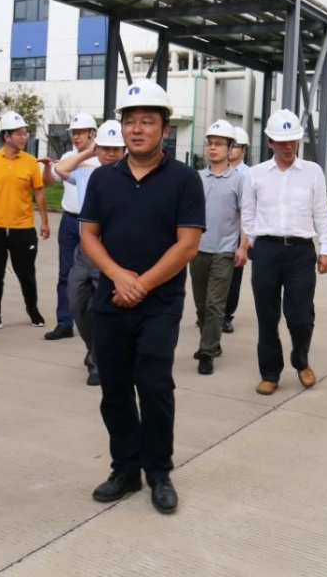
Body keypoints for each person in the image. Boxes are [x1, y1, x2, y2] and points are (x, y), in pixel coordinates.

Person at [78, 82, 205, 515]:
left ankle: (159, 472)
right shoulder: (102, 178)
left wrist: (142, 285)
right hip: (110, 300)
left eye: (147, 122)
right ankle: (125, 470)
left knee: (154, 387)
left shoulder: (184, 180)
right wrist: (118, 276)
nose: (136, 130)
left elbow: (187, 245)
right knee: (114, 389)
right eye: (130, 121)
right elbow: (89, 235)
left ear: (165, 130)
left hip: (159, 304)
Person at [240, 109, 327, 396]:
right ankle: (270, 373)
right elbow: (248, 212)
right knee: (267, 316)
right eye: (281, 141)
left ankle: (301, 360)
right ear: (270, 141)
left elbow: (322, 213)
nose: (288, 146)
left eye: (292, 140)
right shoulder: (256, 174)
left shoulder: (312, 172)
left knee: (300, 316)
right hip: (266, 250)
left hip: (300, 252)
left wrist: (326, 249)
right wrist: (252, 241)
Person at [54, 119, 125, 385]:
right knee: (76, 300)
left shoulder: (130, 178)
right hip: (86, 250)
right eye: (105, 148)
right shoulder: (88, 173)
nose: (110, 154)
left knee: (103, 308)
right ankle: (93, 348)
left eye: (116, 149)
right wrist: (88, 153)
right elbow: (60, 169)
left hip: (113, 252)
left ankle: (98, 358)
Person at [0, 112, 51, 332]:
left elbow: (39, 192)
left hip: (23, 228)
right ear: (6, 136)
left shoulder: (31, 162)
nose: (25, 137)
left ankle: (33, 309)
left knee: (26, 274)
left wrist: (44, 221)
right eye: (20, 134)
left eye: (26, 133)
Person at [191, 120, 249, 376]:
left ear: (230, 147)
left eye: (219, 144)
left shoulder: (239, 180)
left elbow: (246, 215)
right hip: (197, 250)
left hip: (224, 251)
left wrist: (243, 246)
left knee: (215, 304)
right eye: (210, 143)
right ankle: (211, 341)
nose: (213, 148)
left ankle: (206, 353)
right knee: (201, 305)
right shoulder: (197, 178)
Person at [39, 112, 97, 341]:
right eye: (73, 133)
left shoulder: (103, 156)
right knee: (65, 274)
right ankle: (65, 323)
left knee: (95, 275)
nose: (76, 137)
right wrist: (48, 167)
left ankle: (95, 321)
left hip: (93, 224)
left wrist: (80, 160)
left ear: (92, 133)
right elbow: (48, 180)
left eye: (80, 132)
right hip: (69, 221)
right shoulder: (67, 156)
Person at [222, 126, 252, 334]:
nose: (231, 149)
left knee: (233, 279)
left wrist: (245, 241)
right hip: (218, 232)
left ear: (244, 150)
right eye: (229, 145)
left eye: (236, 146)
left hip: (238, 234)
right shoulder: (216, 170)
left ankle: (226, 316)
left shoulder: (249, 175)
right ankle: (209, 313)